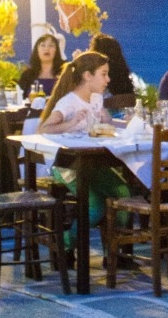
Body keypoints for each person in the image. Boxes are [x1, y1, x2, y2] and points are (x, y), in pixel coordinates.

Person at [38, 52, 132, 265]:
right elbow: (45, 128)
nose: (108, 79)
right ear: (88, 76)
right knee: (95, 206)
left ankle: (113, 253)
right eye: (104, 74)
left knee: (123, 193)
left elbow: (105, 124)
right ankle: (65, 244)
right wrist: (70, 124)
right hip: (66, 165)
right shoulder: (69, 102)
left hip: (93, 163)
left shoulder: (97, 98)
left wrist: (121, 121)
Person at [18, 34, 65, 98]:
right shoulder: (27, 75)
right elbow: (20, 98)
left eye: (51, 46)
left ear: (56, 50)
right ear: (37, 50)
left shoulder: (64, 73)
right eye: (43, 45)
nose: (47, 49)